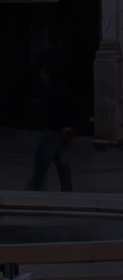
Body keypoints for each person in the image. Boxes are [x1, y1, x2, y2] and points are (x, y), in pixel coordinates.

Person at [27, 59, 75, 191]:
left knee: (40, 167)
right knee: (63, 167)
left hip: (51, 133)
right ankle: (68, 192)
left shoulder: (48, 90)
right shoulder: (65, 89)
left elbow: (46, 112)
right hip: (65, 133)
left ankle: (33, 193)